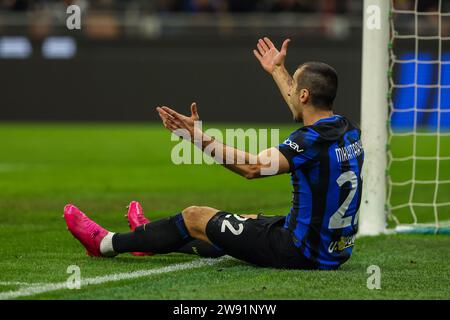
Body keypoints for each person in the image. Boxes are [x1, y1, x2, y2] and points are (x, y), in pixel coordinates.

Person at [64, 37, 364, 270]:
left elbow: (253, 168)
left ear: (304, 95)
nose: (291, 91)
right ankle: (148, 238)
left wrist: (197, 138)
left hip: (300, 251)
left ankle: (105, 243)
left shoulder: (308, 141)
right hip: (334, 249)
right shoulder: (348, 129)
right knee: (239, 221)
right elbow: (300, 102)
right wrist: (277, 70)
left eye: (294, 85)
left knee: (196, 216)